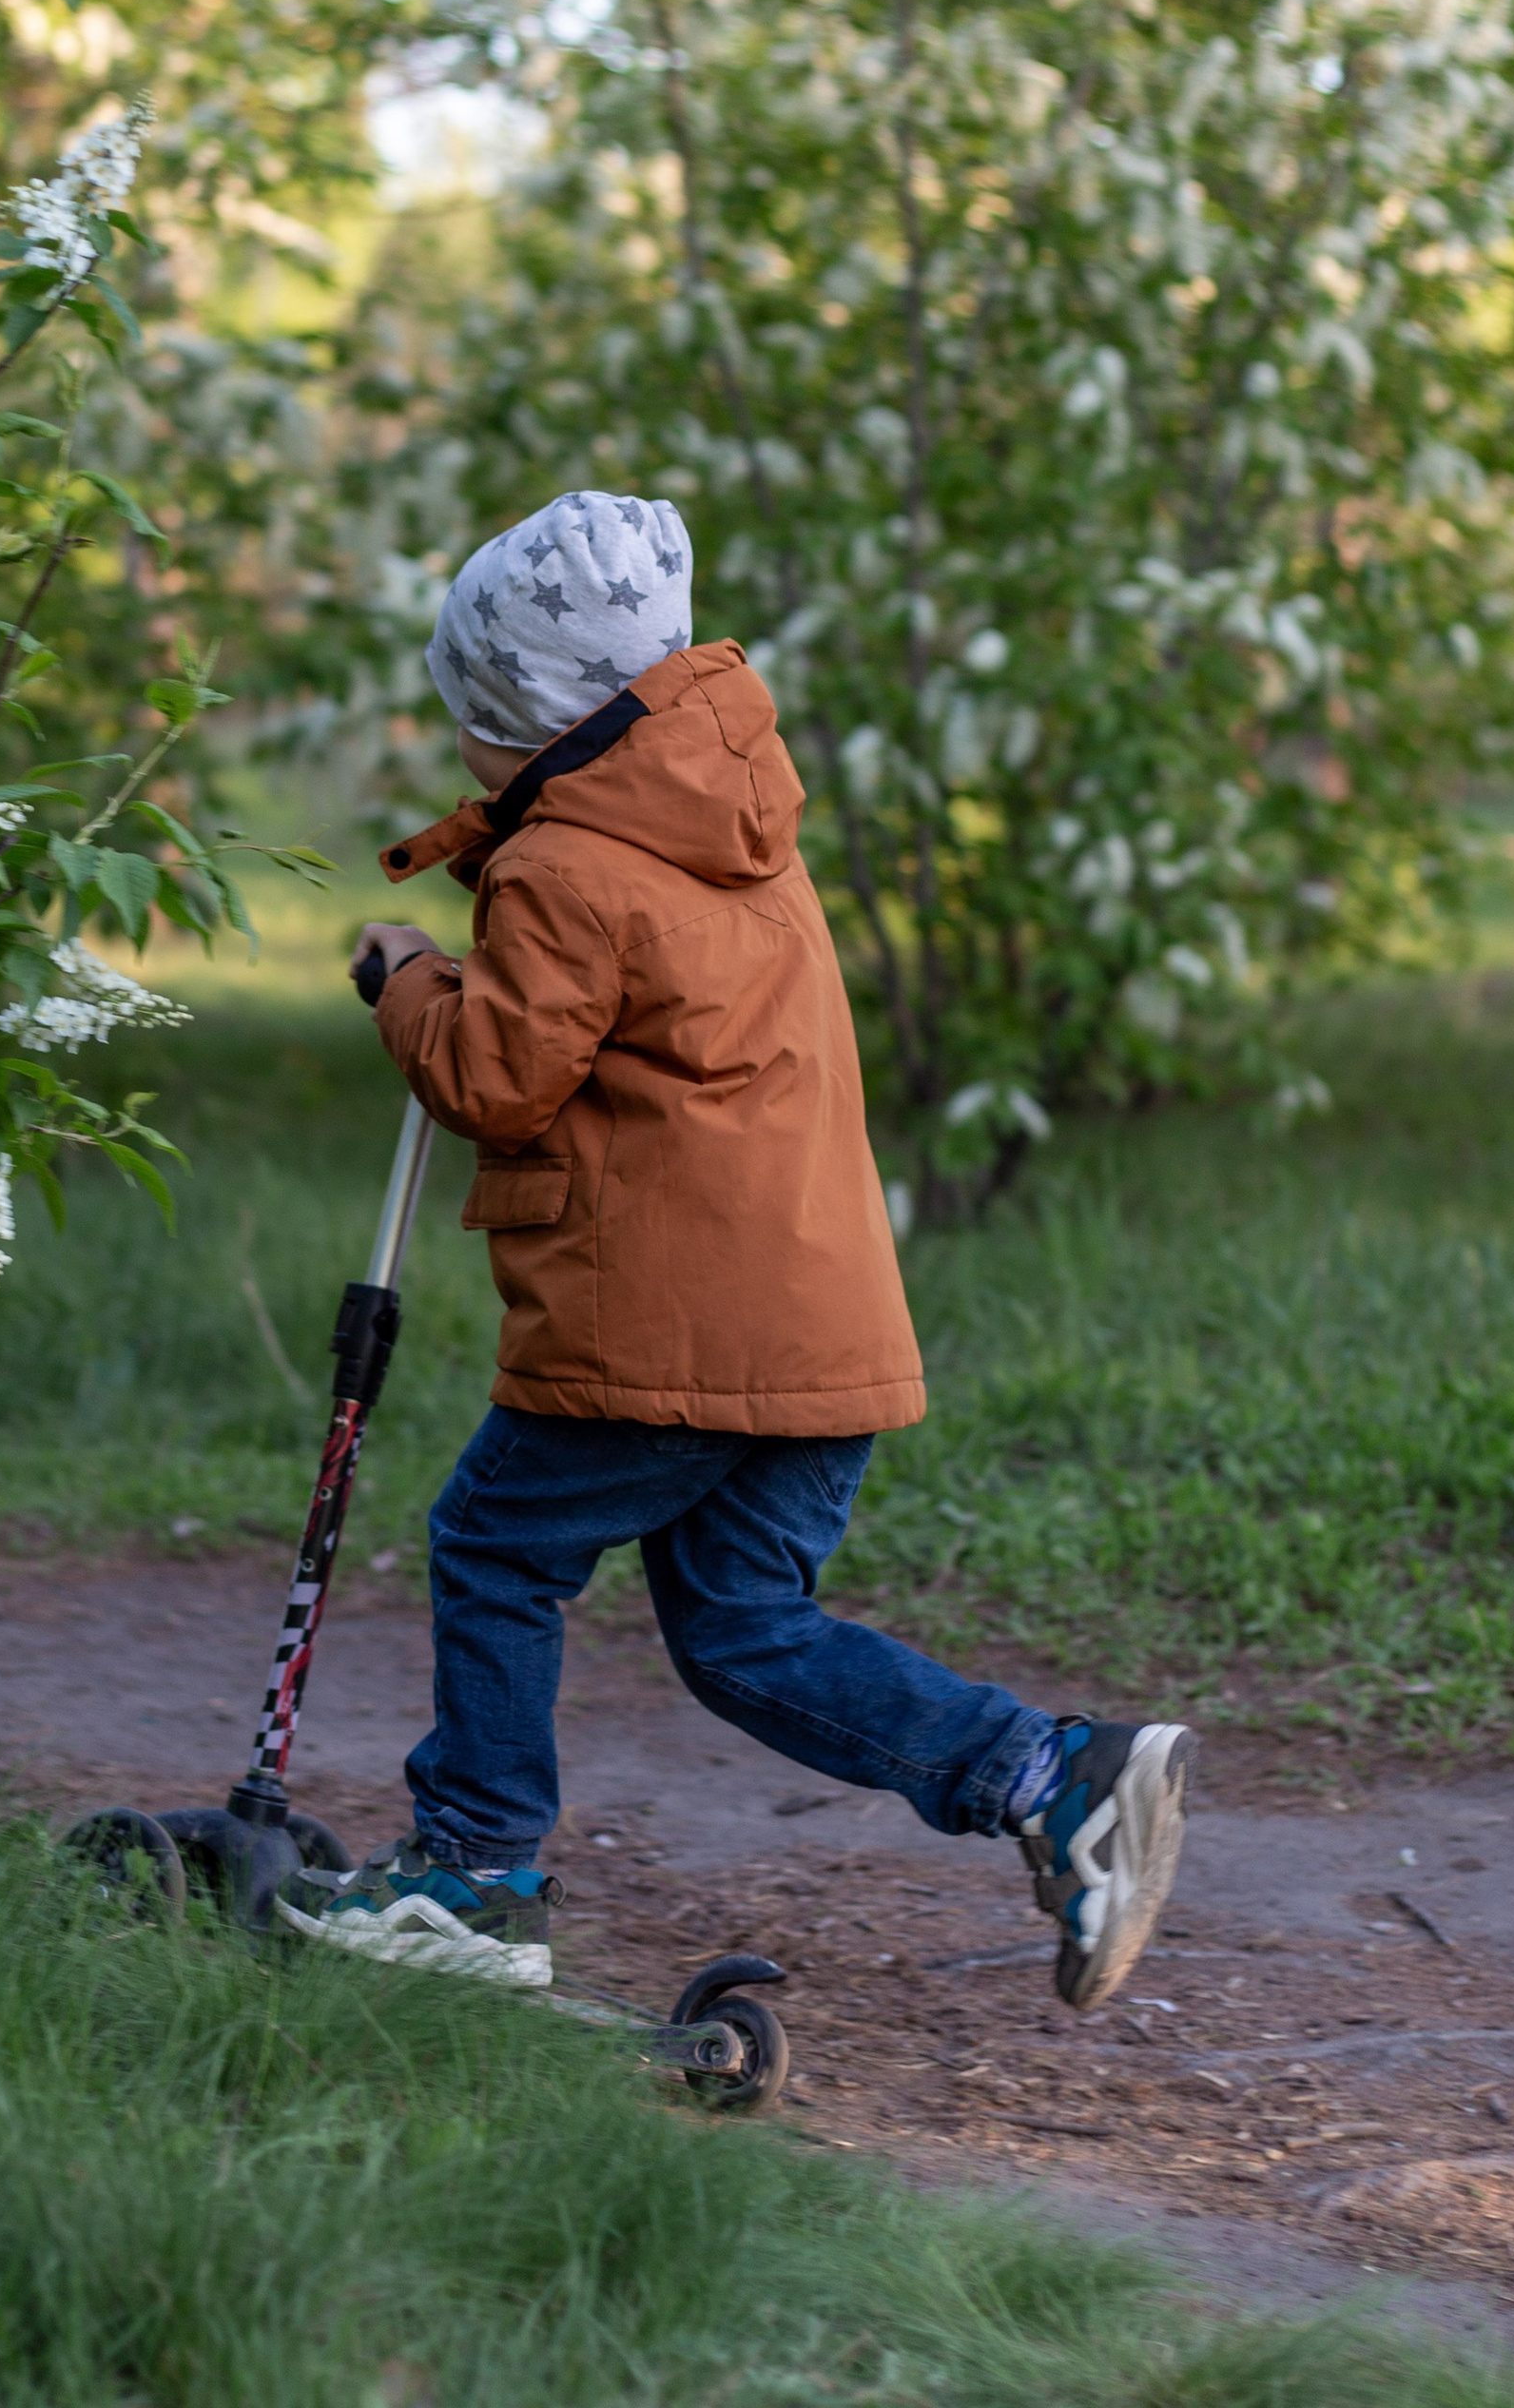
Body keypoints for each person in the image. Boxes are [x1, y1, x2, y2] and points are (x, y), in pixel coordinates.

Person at [277, 489, 1192, 2010]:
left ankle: (472, 1873)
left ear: (533, 723)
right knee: (742, 1626)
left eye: (473, 725)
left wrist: (409, 981)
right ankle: (1052, 1773)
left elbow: (497, 1073)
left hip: (665, 1335)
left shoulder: (564, 869)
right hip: (820, 1328)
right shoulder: (727, 819)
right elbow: (617, 961)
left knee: (496, 1548)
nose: (465, 756)